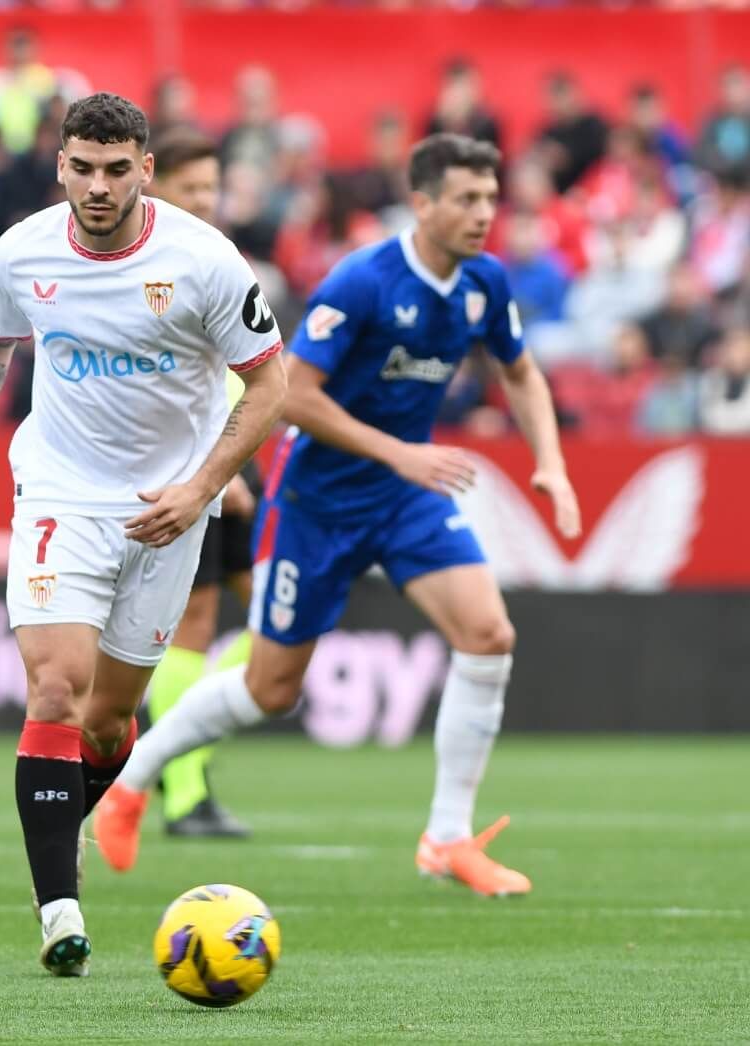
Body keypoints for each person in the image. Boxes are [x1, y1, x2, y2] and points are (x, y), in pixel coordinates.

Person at [93, 134, 583, 901]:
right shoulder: (362, 281)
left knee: (489, 635)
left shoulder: (485, 282)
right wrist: (400, 453)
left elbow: (520, 372)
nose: (483, 214)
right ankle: (134, 781)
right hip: (317, 500)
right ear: (422, 204)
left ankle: (447, 837)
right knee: (270, 688)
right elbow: (292, 392)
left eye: (490, 199)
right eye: (466, 199)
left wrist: (549, 459)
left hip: (404, 492)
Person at [0, 93, 287, 976]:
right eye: (83, 168)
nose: (99, 187)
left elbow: (270, 385)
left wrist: (201, 488)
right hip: (60, 491)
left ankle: (83, 811)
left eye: (117, 170)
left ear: (145, 168)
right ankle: (58, 910)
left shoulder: (205, 261)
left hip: (166, 507)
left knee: (110, 725)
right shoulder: (23, 250)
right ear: (60, 166)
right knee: (58, 690)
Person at [139, 127, 256, 840]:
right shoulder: (153, 264)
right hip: (193, 467)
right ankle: (185, 794)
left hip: (242, 453)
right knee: (197, 624)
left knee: (284, 620)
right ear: (155, 187)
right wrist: (215, 474)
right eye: (193, 188)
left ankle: (169, 761)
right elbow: (162, 384)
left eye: (213, 187)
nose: (207, 200)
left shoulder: (219, 257)